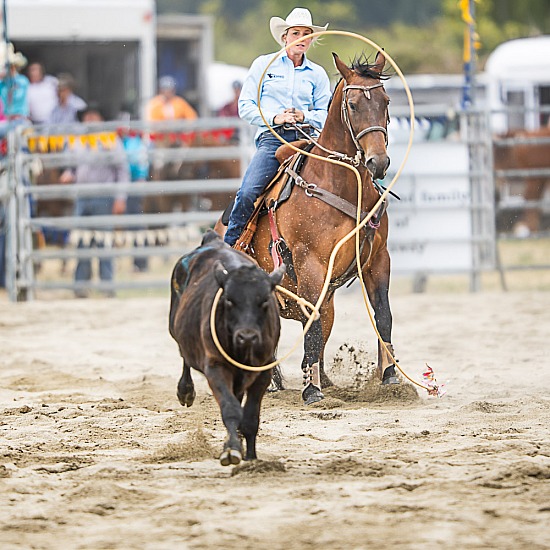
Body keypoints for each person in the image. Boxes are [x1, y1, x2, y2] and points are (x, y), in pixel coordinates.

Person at [223, 7, 331, 248]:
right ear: (285, 37)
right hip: (273, 140)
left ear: (311, 40)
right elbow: (246, 106)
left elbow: (326, 115)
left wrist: (306, 116)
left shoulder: (318, 74)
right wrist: (276, 118)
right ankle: (229, 248)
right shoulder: (263, 65)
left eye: (306, 34)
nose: (301, 38)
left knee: (335, 188)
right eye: (296, 33)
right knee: (249, 192)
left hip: (308, 140)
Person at [59, 104, 129, 297]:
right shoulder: (77, 141)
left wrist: (120, 198)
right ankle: (80, 287)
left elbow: (122, 170)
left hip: (103, 197)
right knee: (81, 242)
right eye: (87, 116)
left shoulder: (110, 140)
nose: (89, 119)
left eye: (93, 116)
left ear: (101, 119)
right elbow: (70, 166)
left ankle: (107, 286)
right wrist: (68, 174)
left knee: (104, 243)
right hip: (82, 197)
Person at [0, 43, 30, 129]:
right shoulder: (2, 83)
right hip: (6, 120)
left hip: (21, 120)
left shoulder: (22, 81)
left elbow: (16, 95)